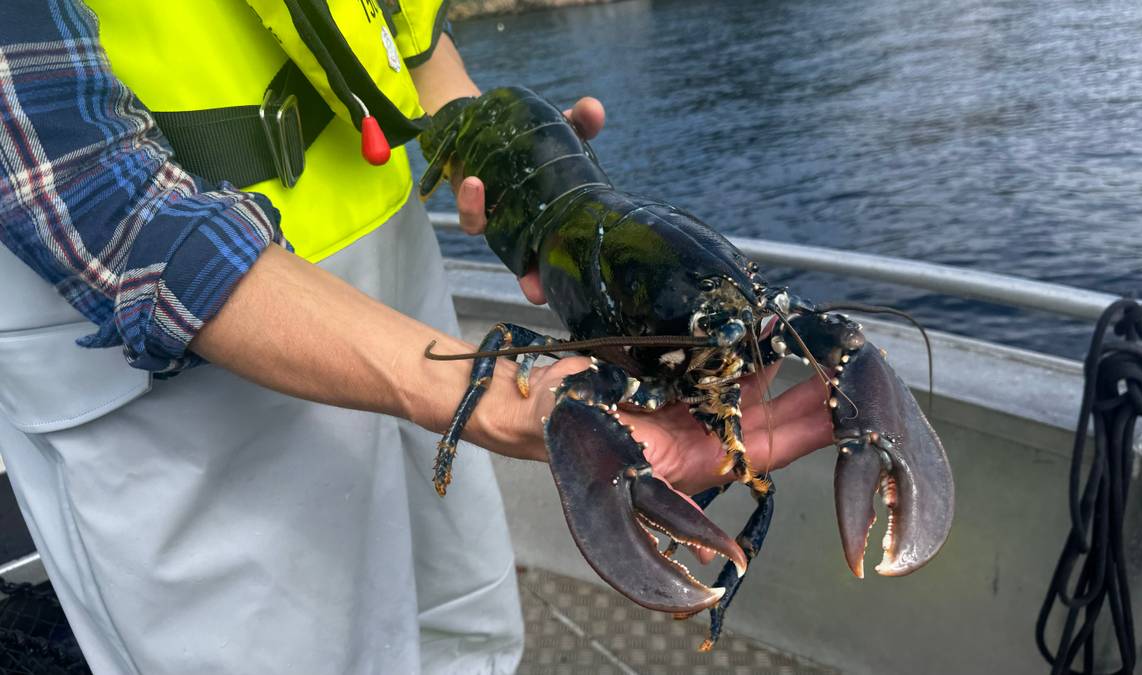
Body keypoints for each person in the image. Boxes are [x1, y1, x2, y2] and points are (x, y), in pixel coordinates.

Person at [0, 1, 834, 672]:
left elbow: (410, 32)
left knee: (461, 619)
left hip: (393, 262)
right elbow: (91, 191)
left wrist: (514, 163)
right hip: (162, 355)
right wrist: (473, 394)